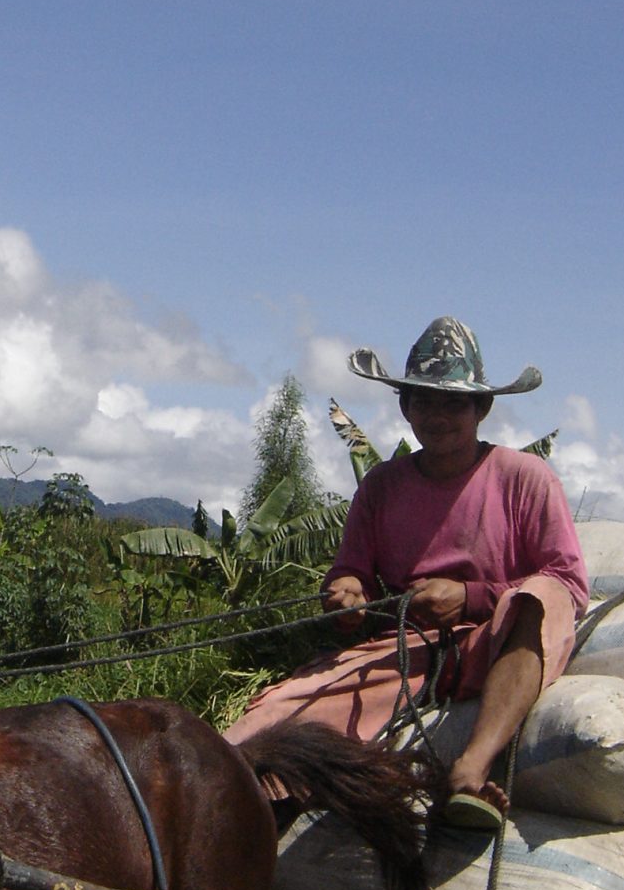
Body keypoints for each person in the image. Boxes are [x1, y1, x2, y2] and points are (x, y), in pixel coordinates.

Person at [225, 316, 589, 830]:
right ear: (405, 407)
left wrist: (471, 598)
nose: (436, 416)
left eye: (453, 403)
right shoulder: (382, 486)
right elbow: (351, 575)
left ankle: (470, 767)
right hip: (404, 650)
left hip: (499, 641)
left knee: (540, 597)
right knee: (268, 734)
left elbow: (570, 585)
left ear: (481, 408)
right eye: (424, 402)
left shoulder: (524, 478)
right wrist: (347, 596)